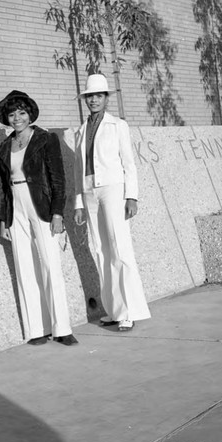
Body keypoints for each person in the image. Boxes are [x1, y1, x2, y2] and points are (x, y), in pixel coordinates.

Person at [0, 90, 78, 346]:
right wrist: (3, 219)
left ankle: (61, 328)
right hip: (16, 205)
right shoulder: (5, 146)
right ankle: (37, 329)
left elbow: (58, 178)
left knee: (50, 263)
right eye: (12, 114)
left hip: (40, 204)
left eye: (21, 112)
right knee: (24, 264)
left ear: (30, 114)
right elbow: (2, 186)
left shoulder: (46, 139)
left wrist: (57, 213)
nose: (17, 118)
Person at [73, 74, 151, 331]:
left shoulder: (118, 125)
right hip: (89, 191)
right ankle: (114, 310)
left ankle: (129, 310)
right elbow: (77, 169)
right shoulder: (81, 131)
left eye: (98, 96)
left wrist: (132, 196)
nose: (93, 100)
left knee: (119, 248)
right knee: (101, 250)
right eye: (89, 97)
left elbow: (129, 163)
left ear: (106, 98)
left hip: (113, 189)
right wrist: (78, 203)